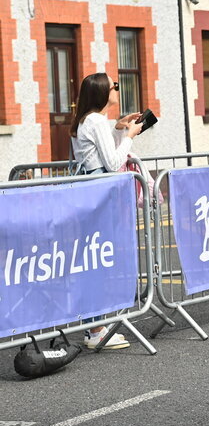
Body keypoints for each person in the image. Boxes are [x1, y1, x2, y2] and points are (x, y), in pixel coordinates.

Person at [69, 72, 143, 350]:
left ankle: (94, 325)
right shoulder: (96, 120)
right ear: (103, 91)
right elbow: (112, 163)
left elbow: (94, 153)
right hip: (101, 193)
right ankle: (95, 329)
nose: (117, 89)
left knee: (93, 259)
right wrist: (129, 136)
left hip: (90, 191)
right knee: (98, 261)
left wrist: (117, 129)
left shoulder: (89, 120)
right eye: (115, 85)